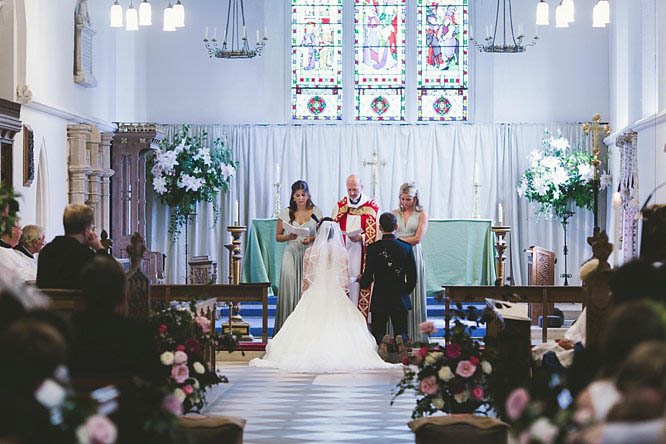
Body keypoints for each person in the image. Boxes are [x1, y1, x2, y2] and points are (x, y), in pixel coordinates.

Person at [249, 220, 397, 372]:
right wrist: (354, 280)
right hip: (336, 293)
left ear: (319, 233)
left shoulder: (311, 252)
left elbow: (306, 279)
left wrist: (305, 297)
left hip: (315, 291)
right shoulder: (342, 252)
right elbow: (344, 282)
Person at [68, 255, 161, 384]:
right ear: (122, 296)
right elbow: (155, 381)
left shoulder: (67, 331)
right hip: (126, 402)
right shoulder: (138, 333)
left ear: (82, 295)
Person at [360, 212, 417, 345]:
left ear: (380, 228)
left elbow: (368, 276)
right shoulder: (406, 248)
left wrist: (362, 282)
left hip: (380, 296)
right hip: (399, 296)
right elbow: (412, 278)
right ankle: (401, 347)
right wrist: (404, 292)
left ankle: (381, 349)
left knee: (378, 333)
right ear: (396, 226)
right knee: (401, 331)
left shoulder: (373, 248)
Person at [273, 180, 322, 334]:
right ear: (293, 197)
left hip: (309, 253)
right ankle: (287, 328)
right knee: (289, 284)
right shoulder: (286, 212)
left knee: (307, 289)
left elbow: (323, 234)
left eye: (303, 195)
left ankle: (306, 329)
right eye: (297, 195)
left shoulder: (316, 212)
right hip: (291, 251)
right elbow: (277, 237)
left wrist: (311, 239)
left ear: (308, 195)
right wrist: (289, 236)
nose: (301, 198)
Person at [332, 174, 380, 319]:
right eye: (349, 189)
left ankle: (359, 321)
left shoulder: (372, 206)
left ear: (362, 188)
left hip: (362, 252)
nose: (352, 193)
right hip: (344, 251)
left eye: (355, 189)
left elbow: (378, 231)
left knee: (358, 286)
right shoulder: (341, 206)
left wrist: (362, 237)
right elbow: (333, 228)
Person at [37, 204, 106, 289]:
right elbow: (112, 276)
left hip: (48, 302)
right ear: (86, 231)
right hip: (79, 302)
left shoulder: (46, 251)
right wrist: (99, 248)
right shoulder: (86, 255)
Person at [392, 182, 429, 342]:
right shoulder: (394, 213)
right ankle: (398, 334)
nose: (405, 202)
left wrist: (398, 241)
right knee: (397, 291)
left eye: (409, 199)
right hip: (397, 255)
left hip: (413, 253)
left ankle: (417, 334)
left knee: (414, 288)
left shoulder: (422, 214)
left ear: (415, 199)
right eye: (403, 199)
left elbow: (417, 238)